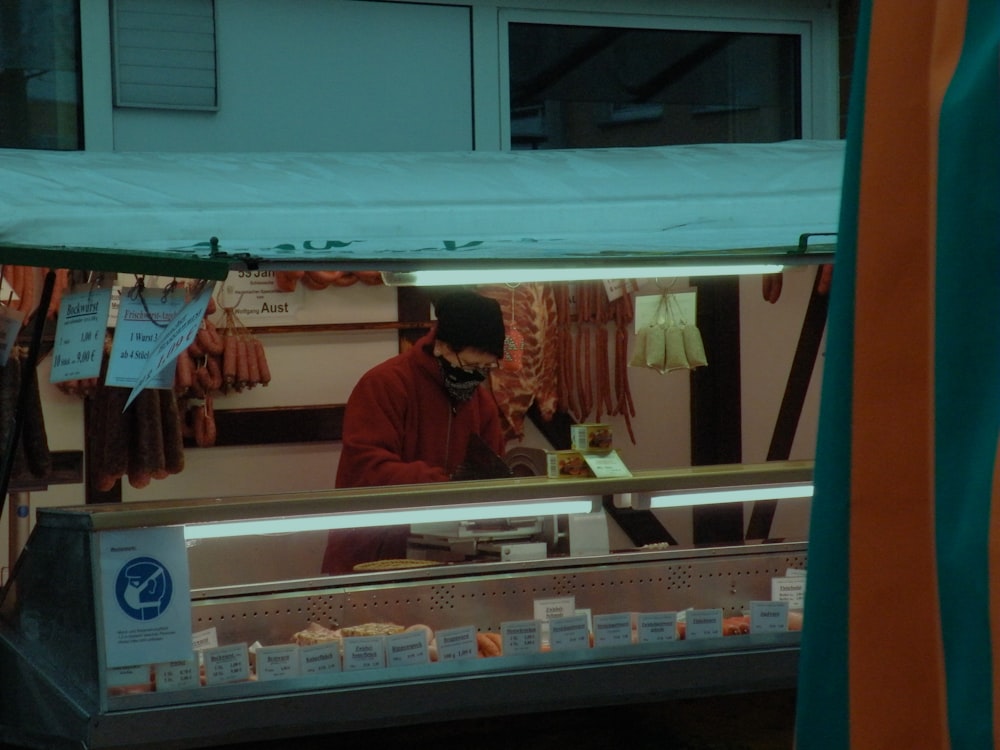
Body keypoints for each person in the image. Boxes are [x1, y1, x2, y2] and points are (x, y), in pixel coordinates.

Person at [321, 290, 508, 574]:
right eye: (470, 365)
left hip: (450, 560)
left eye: (486, 367)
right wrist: (446, 484)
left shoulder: (481, 404)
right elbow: (368, 468)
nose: (476, 376)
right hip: (374, 556)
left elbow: (491, 477)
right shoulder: (386, 384)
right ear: (441, 346)